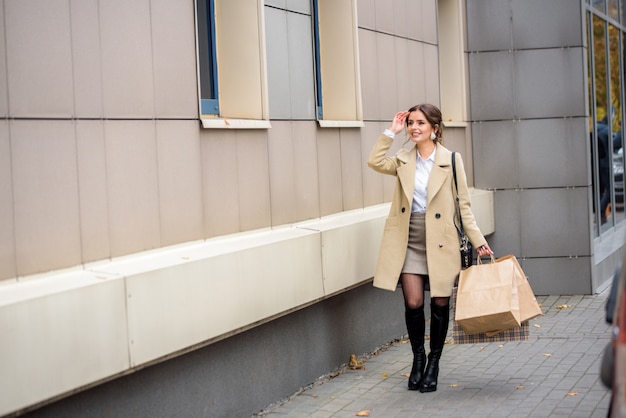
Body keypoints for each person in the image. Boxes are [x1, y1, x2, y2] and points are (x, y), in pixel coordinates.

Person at [367, 104, 493, 393]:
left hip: (442, 242)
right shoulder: (402, 159)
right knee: (412, 303)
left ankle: (433, 364)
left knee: (439, 303)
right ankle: (418, 359)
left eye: (420, 123)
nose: (414, 128)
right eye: (411, 123)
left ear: (435, 128)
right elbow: (374, 162)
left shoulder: (451, 160)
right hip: (409, 238)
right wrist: (390, 131)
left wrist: (478, 240)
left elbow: (463, 206)